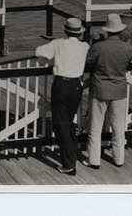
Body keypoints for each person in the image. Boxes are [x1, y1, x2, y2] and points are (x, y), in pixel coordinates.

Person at [35, 17, 90, 175]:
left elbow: (39, 51)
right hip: (76, 86)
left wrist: (44, 60)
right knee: (69, 122)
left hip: (61, 85)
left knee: (61, 124)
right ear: (80, 33)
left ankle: (69, 164)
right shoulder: (85, 46)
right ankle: (71, 156)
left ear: (66, 31)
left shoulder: (58, 43)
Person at [82, 13, 132, 169]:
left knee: (95, 126)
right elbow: (127, 64)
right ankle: (118, 159)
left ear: (107, 30)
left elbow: (87, 65)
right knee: (118, 126)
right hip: (119, 90)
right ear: (120, 30)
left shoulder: (98, 47)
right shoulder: (127, 47)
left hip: (100, 89)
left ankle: (94, 160)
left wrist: (93, 44)